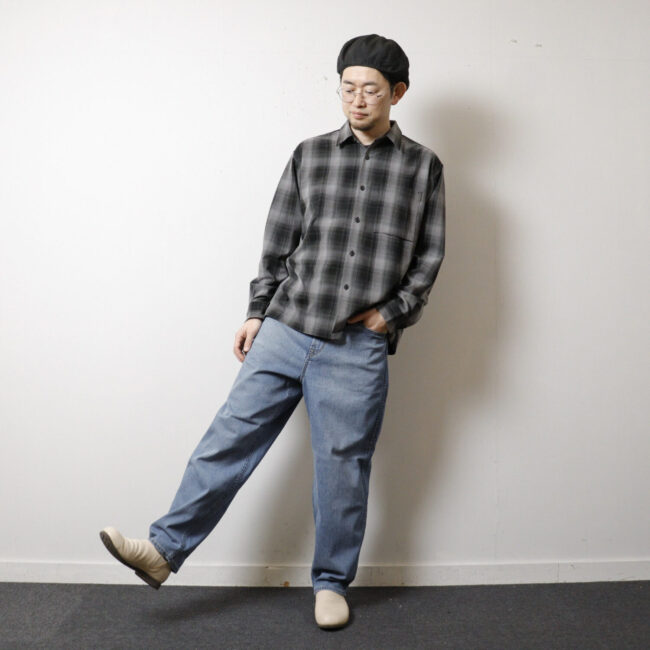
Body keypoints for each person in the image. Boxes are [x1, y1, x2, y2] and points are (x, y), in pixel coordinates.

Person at [100, 33, 445, 630]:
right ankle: (162, 551)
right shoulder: (309, 155)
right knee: (228, 439)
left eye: (370, 89)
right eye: (347, 87)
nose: (357, 99)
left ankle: (331, 584)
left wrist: (389, 316)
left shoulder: (423, 168)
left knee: (343, 469)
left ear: (398, 93)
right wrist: (258, 311)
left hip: (355, 347)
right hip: (287, 328)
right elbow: (278, 242)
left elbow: (429, 256)